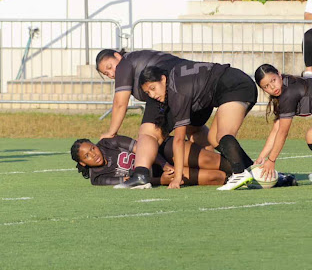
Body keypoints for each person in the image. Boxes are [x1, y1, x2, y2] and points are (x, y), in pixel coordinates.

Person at [122, 60, 258, 191]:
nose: (152, 95)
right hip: (230, 84)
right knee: (214, 139)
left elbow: (179, 139)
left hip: (235, 86)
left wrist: (177, 177)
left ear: (163, 79)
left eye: (153, 88)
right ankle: (256, 171)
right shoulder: (174, 82)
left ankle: (239, 173)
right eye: (148, 93)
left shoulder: (177, 92)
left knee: (223, 135)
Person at [95, 48, 210, 147]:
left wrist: (111, 132)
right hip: (201, 85)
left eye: (110, 67)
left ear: (117, 55)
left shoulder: (124, 63)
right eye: (106, 74)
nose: (112, 74)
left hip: (178, 84)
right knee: (195, 129)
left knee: (149, 136)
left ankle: (142, 171)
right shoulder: (136, 59)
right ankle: (218, 164)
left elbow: (120, 103)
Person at [70, 134, 231, 187]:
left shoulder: (107, 143)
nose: (94, 154)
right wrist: (160, 179)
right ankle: (236, 179)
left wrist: (164, 163)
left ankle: (247, 169)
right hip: (158, 173)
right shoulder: (97, 178)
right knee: (215, 177)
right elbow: (132, 180)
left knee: (210, 159)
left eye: (92, 148)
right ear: (83, 163)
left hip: (161, 152)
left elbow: (142, 147)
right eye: (87, 156)